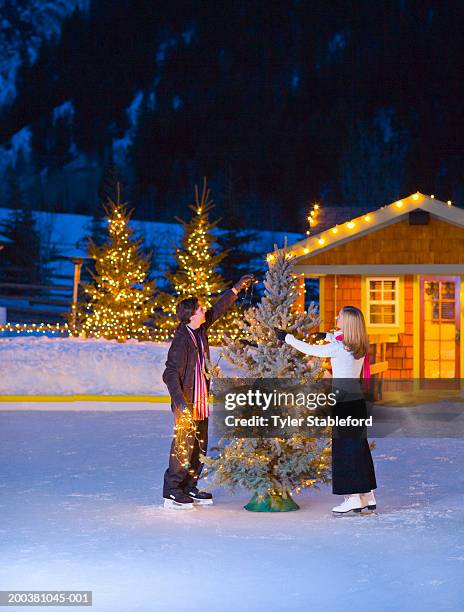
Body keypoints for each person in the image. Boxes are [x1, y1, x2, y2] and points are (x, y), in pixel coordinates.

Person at [162, 275, 254, 510]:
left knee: (199, 445)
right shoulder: (182, 339)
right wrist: (180, 403)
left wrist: (236, 287)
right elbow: (170, 373)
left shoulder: (199, 330)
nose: (205, 311)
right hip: (187, 402)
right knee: (183, 445)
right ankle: (173, 490)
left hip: (200, 400)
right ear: (191, 315)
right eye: (201, 309)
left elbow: (218, 309)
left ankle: (189, 485)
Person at [274, 305, 377, 515]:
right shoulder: (358, 344)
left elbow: (312, 350)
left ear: (347, 323)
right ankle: (367, 495)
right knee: (358, 448)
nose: (336, 316)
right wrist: (328, 335)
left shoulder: (339, 348)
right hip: (356, 402)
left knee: (345, 450)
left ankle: (353, 498)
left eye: (340, 315)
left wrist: (287, 338)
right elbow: (339, 342)